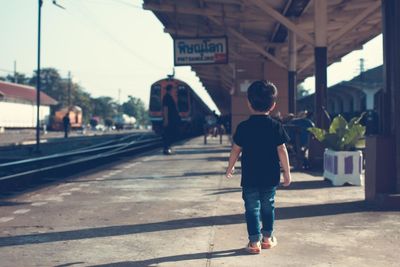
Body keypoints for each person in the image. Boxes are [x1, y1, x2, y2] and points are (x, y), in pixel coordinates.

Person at [225, 80, 292, 254]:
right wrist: (287, 172)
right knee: (268, 205)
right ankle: (268, 239)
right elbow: (282, 150)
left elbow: (235, 150)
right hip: (270, 176)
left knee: (252, 208)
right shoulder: (276, 126)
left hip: (250, 177)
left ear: (249, 103)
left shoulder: (243, 127)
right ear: (273, 105)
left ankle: (254, 242)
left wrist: (230, 167)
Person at [162, 84, 180, 155]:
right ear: (170, 90)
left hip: (171, 119)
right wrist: (166, 120)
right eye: (174, 89)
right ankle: (166, 149)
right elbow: (165, 108)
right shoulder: (166, 97)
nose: (175, 91)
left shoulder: (169, 97)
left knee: (170, 134)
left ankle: (168, 148)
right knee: (168, 134)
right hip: (169, 120)